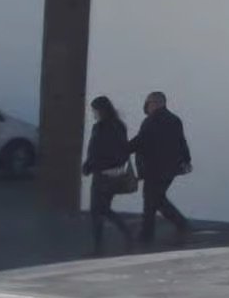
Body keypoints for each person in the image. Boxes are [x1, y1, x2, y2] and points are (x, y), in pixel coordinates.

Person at [128, 91, 191, 245]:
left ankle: (147, 235)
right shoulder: (175, 120)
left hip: (153, 168)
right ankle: (181, 224)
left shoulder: (151, 121)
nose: (147, 106)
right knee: (157, 199)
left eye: (148, 103)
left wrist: (122, 149)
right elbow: (182, 142)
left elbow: (140, 141)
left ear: (154, 103)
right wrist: (186, 161)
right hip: (170, 168)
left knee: (151, 201)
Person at [80, 96, 134, 254]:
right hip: (115, 173)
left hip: (101, 173)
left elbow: (95, 150)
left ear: (100, 110)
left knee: (97, 211)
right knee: (104, 208)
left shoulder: (100, 127)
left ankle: (98, 248)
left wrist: (88, 166)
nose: (93, 113)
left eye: (94, 110)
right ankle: (126, 233)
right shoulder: (119, 126)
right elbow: (124, 149)